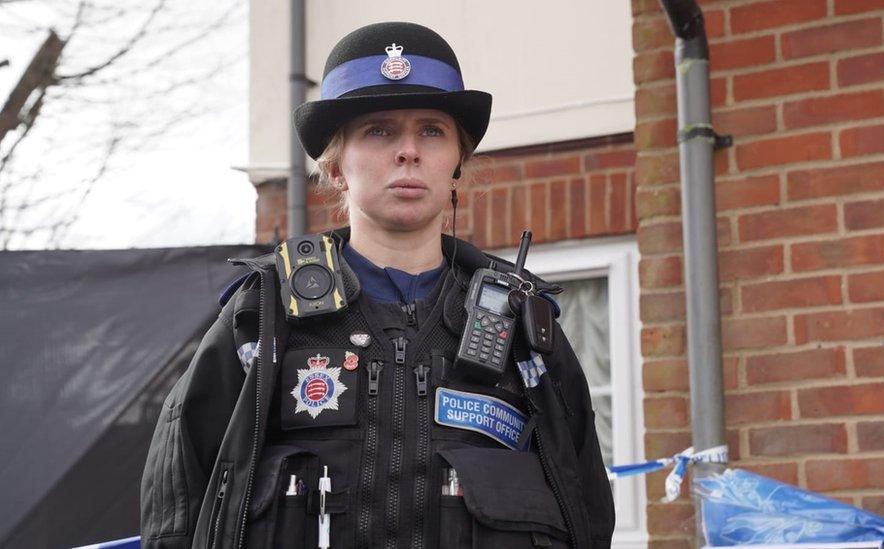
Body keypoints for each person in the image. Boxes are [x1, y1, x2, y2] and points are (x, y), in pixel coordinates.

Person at [140, 21, 614, 549]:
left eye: (432, 130)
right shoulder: (264, 315)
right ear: (337, 166)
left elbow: (586, 512)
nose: (408, 151)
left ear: (458, 162)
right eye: (380, 131)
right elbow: (176, 510)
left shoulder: (525, 328)